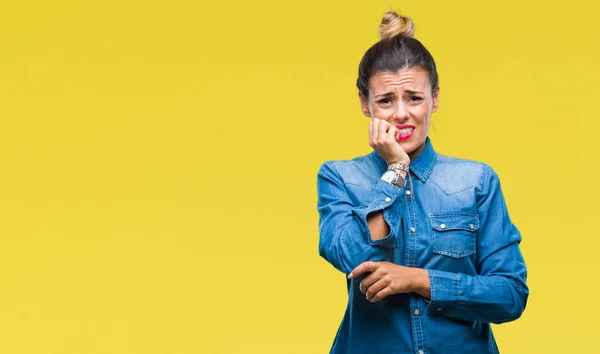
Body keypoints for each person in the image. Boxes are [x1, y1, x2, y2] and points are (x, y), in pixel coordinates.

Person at [316, 10, 528, 354]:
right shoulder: (340, 177)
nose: (401, 113)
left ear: (435, 98)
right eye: (386, 100)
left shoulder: (476, 180)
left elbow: (509, 295)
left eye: (414, 98)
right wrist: (394, 171)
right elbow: (353, 257)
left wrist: (419, 280)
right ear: (365, 105)